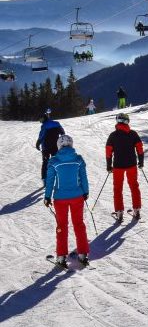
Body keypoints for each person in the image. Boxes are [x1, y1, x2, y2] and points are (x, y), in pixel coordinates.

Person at [44, 134, 89, 267]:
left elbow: (50, 180)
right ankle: (82, 254)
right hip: (77, 197)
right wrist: (85, 192)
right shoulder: (78, 159)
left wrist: (47, 196)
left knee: (61, 226)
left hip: (60, 199)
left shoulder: (54, 161)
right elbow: (84, 177)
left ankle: (61, 257)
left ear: (59, 145)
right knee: (79, 224)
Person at [105, 112, 144, 223]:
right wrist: (141, 161)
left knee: (118, 188)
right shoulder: (133, 134)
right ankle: (136, 210)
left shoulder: (113, 135)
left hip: (118, 166)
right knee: (134, 186)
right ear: (127, 122)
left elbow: (108, 151)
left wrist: (109, 165)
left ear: (117, 121)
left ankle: (119, 212)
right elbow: (139, 148)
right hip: (131, 165)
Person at [36, 112, 65, 184]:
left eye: (41, 119)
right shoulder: (56, 123)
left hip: (46, 147)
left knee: (45, 162)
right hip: (55, 146)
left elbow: (41, 136)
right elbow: (63, 133)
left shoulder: (44, 126)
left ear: (44, 118)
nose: (40, 120)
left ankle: (45, 178)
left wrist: (38, 143)